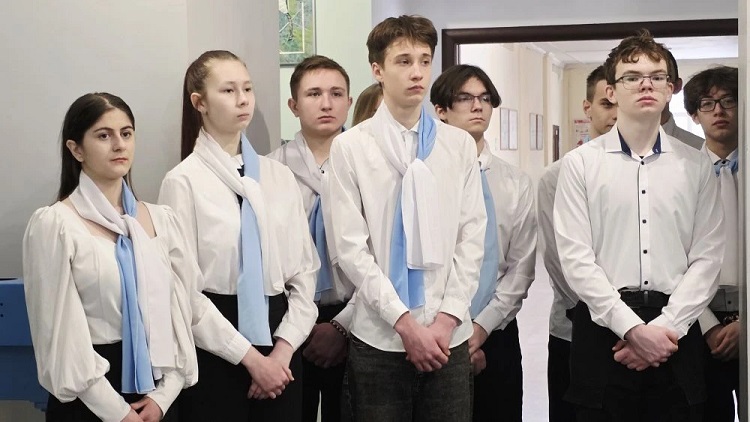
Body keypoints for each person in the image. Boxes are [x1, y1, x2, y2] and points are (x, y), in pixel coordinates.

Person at [553, 31, 724, 421]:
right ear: (611, 91)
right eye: (632, 77)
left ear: (671, 88)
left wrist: (665, 329)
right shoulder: (581, 164)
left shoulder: (696, 164)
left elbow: (708, 257)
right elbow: (576, 259)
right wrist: (632, 329)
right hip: (603, 328)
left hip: (677, 329)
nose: (646, 85)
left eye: (657, 76)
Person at [327, 15, 486, 422]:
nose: (417, 72)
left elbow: (472, 238)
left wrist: (447, 319)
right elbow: (350, 248)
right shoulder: (351, 147)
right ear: (377, 70)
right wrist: (405, 324)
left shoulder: (457, 145)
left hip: (448, 335)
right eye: (403, 61)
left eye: (424, 60)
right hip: (380, 337)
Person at [159, 50, 319, 421]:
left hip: (281, 337)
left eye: (247, 89)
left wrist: (281, 353)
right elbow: (182, 291)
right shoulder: (183, 182)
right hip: (216, 342)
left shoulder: (278, 176)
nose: (243, 99)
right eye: (228, 90)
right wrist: (251, 360)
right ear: (199, 102)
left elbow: (304, 273)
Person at [23, 92, 198, 422]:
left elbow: (180, 315)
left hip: (158, 396)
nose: (119, 145)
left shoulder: (161, 220)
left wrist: (163, 397)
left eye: (126, 133)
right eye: (104, 136)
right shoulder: (56, 225)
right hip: (90, 398)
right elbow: (59, 337)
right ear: (76, 149)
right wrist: (117, 412)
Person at [430, 64, 536, 422]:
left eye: (485, 98)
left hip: (497, 330)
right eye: (465, 98)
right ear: (441, 110)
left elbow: (521, 267)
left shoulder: (515, 182)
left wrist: (480, 328)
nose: (478, 106)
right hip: (435, 333)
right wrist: (451, 327)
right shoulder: (423, 177)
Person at [268, 54, 354, 422]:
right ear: (293, 105)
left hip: (356, 315)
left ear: (349, 102)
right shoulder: (270, 170)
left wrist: (342, 326)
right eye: (314, 94)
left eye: (336, 94)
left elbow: (384, 255)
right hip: (287, 316)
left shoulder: (368, 166)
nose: (326, 103)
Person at [538, 64, 616, 422]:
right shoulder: (557, 176)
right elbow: (559, 262)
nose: (615, 114)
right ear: (588, 108)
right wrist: (612, 317)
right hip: (574, 328)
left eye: (621, 104)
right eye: (606, 104)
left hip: (639, 331)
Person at [683, 65, 740, 421]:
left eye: (729, 100)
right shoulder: (680, 175)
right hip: (698, 321)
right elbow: (673, 255)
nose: (719, 111)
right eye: (707, 103)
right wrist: (708, 325)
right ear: (694, 114)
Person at [661, 49, 705, 149]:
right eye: (633, 78)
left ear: (676, 86)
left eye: (658, 78)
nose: (646, 84)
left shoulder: (698, 150)